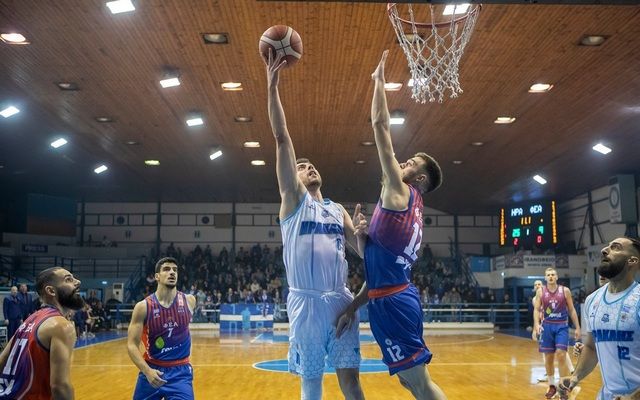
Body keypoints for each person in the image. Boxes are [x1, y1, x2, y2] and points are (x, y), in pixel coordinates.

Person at [338, 50, 445, 399]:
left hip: (394, 302)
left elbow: (380, 127)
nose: (402, 162)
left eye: (410, 162)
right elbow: (376, 268)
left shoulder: (400, 190)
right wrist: (362, 240)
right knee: (409, 381)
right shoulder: (412, 207)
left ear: (420, 178)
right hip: (390, 296)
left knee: (419, 382)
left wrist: (379, 82)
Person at [264, 48, 366, 400]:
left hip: (340, 300)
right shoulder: (294, 201)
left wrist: (364, 234)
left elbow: (363, 253)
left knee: (351, 380)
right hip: (305, 302)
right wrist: (272, 87)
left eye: (311, 165)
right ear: (291, 178)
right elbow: (281, 137)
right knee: (311, 381)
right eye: (302, 167)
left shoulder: (337, 209)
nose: (309, 168)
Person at [561, 237, 640, 400]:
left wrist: (634, 397)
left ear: (632, 261)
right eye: (607, 247)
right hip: (607, 395)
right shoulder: (592, 300)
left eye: (615, 247)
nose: (604, 250)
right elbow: (591, 347)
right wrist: (576, 376)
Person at [0, 267, 83, 399]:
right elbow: (60, 387)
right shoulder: (61, 325)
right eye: (69, 279)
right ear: (51, 291)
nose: (78, 282)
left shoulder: (30, 320)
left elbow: (2, 360)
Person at [127, 257, 196, 400]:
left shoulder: (189, 300)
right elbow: (132, 345)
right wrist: (147, 371)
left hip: (180, 373)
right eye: (166, 269)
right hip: (152, 369)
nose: (172, 272)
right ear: (157, 276)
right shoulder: (143, 307)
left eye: (175, 270)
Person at [533, 268, 581, 399]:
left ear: (557, 277)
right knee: (548, 357)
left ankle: (562, 387)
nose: (550, 276)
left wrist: (577, 327)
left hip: (561, 326)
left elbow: (572, 310)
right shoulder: (540, 291)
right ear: (545, 278)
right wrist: (536, 324)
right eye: (548, 275)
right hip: (547, 326)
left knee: (561, 354)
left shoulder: (565, 291)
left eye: (553, 274)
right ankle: (552, 386)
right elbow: (536, 309)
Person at [532, 280, 576, 383]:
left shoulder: (550, 294)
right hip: (544, 326)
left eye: (539, 284)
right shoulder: (535, 298)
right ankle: (549, 373)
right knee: (547, 352)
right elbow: (538, 314)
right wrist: (535, 328)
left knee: (562, 350)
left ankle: (572, 370)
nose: (537, 286)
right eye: (535, 285)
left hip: (556, 323)